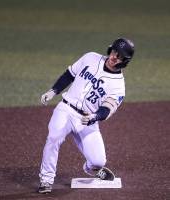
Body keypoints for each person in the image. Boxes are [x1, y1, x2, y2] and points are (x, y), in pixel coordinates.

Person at [38, 38, 135, 193]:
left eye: (119, 56)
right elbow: (69, 74)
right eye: (114, 52)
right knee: (53, 137)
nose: (113, 57)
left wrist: (95, 116)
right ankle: (46, 180)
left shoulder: (118, 86)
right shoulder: (90, 57)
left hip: (88, 120)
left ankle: (93, 169)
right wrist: (53, 91)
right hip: (66, 109)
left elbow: (106, 110)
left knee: (98, 161)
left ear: (125, 61)